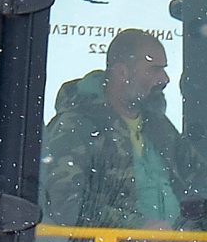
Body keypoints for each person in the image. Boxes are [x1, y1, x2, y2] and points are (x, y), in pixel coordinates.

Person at [41, 27, 186, 228]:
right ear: (122, 72)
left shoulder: (158, 127)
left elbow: (203, 182)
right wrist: (138, 228)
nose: (164, 79)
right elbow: (65, 204)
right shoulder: (76, 127)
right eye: (155, 69)